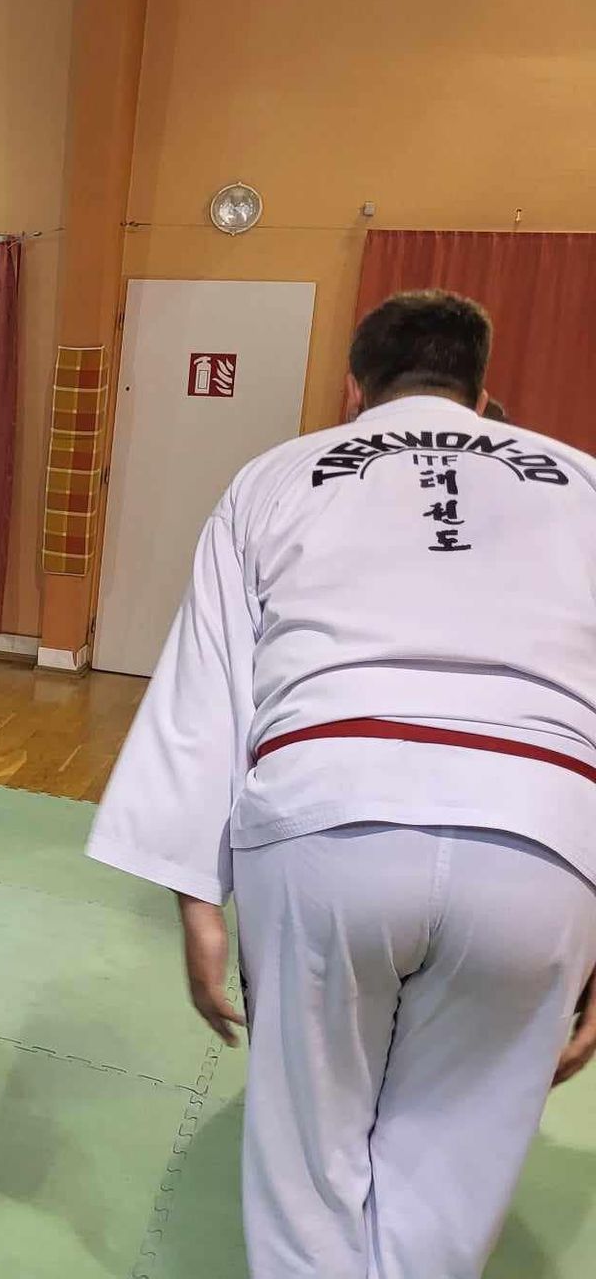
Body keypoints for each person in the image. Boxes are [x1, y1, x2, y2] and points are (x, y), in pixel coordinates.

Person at [87, 289, 596, 1278]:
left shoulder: (279, 475)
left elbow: (211, 682)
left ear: (354, 386)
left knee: (307, 1168)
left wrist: (198, 896)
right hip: (546, 834)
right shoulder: (584, 483)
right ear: (485, 389)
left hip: (327, 818)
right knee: (452, 1173)